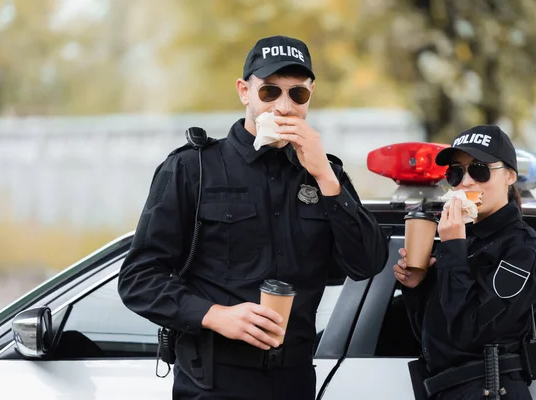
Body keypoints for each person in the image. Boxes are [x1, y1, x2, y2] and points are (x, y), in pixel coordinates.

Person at [118, 35, 388, 400]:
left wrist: (325, 177)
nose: (283, 106)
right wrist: (214, 314)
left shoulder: (326, 174)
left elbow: (367, 263)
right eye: (269, 92)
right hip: (213, 379)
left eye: (298, 94)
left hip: (294, 380)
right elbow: (139, 279)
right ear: (245, 91)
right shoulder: (192, 167)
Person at [394, 126, 536, 400]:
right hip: (443, 388)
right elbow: (435, 339)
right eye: (456, 172)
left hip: (489, 388)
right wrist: (417, 287)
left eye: (479, 169)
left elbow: (471, 333)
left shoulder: (521, 248)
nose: (465, 182)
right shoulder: (457, 239)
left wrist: (453, 248)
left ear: (510, 176)